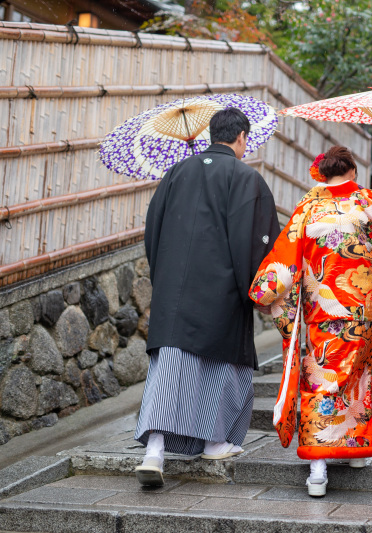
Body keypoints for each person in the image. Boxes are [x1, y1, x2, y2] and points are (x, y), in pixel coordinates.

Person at [249, 147, 372, 497]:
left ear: (323, 173)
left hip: (324, 310)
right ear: (352, 170)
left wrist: (266, 292)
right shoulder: (368, 200)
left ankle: (318, 469)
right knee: (358, 377)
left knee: (321, 374)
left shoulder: (309, 205)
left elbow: (287, 252)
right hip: (368, 307)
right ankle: (353, 451)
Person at [133, 108, 280, 487]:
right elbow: (257, 241)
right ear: (242, 137)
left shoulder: (176, 173)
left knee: (171, 367)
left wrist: (164, 277)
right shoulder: (246, 178)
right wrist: (259, 292)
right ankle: (215, 443)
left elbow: (153, 230)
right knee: (219, 367)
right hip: (222, 290)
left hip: (175, 292)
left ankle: (154, 451)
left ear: (212, 134)